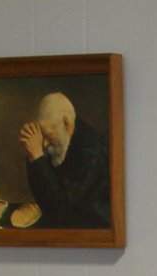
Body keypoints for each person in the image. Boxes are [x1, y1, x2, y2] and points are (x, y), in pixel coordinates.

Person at [19, 92, 112, 228]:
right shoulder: (61, 139)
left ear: (67, 124)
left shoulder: (91, 152)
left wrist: (38, 156)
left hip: (91, 230)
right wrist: (33, 155)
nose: (44, 144)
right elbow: (43, 197)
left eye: (48, 135)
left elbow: (61, 206)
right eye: (42, 136)